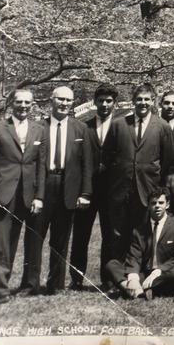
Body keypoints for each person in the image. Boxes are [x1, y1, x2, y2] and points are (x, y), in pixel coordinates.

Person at [0, 89, 46, 303]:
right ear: (12, 104)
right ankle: (0, 291)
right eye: (19, 102)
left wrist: (39, 196)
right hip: (1, 192)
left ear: (33, 104)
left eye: (28, 102)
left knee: (12, 242)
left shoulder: (39, 129)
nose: (23, 106)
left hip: (26, 194)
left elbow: (40, 166)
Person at [31, 85, 94, 296]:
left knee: (60, 239)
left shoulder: (80, 129)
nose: (64, 104)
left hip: (68, 188)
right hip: (44, 185)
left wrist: (85, 193)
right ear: (51, 100)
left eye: (68, 100)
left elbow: (87, 164)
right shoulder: (38, 126)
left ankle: (55, 283)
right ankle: (30, 283)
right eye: (60, 99)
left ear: (73, 103)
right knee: (35, 237)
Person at [112, 84, 174, 262]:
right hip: (121, 189)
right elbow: (110, 157)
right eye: (139, 99)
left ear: (153, 101)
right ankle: (115, 278)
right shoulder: (119, 125)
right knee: (118, 234)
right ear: (133, 101)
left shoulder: (162, 126)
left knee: (143, 234)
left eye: (147, 99)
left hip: (147, 189)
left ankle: (139, 274)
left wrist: (154, 181)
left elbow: (167, 159)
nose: (143, 103)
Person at [71, 84, 120, 290]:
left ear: (114, 104)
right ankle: (77, 277)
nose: (105, 104)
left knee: (109, 236)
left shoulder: (121, 126)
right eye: (101, 101)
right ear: (94, 103)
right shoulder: (84, 127)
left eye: (109, 101)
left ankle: (108, 279)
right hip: (88, 190)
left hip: (111, 191)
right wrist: (83, 190)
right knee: (81, 234)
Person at [103, 188, 174, 300]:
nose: (157, 206)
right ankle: (139, 291)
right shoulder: (139, 230)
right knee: (112, 265)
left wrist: (156, 273)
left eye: (161, 203)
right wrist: (133, 278)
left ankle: (129, 290)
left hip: (164, 273)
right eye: (153, 203)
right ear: (148, 206)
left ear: (167, 205)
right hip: (145, 273)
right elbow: (134, 257)